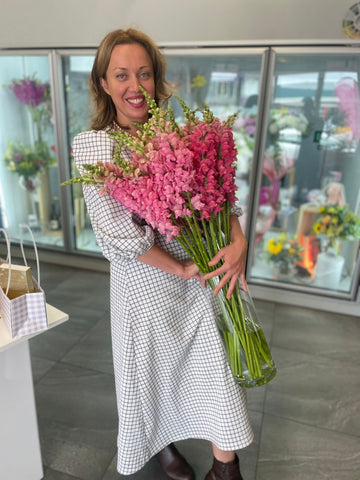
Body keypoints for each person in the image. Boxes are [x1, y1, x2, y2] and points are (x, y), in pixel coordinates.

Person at [72, 28, 253, 480]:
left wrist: (239, 242)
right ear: (103, 84)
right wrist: (180, 266)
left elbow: (220, 193)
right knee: (151, 372)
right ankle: (161, 444)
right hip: (147, 281)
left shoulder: (178, 133)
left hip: (200, 273)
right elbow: (116, 234)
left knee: (216, 368)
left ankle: (225, 468)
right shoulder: (96, 146)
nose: (135, 86)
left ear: (157, 80)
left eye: (145, 74)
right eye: (121, 75)